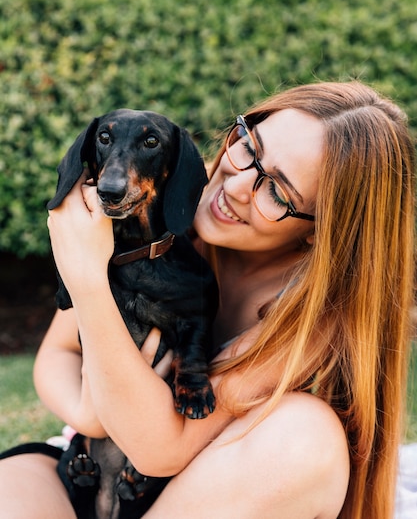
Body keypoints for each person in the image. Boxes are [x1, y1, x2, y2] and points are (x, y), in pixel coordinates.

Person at [0, 81, 414, 519]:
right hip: (89, 465)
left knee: (307, 434)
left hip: (206, 494)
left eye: (277, 192)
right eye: (247, 148)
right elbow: (57, 354)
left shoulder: (312, 318)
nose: (236, 186)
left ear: (322, 229)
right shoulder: (162, 210)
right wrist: (89, 414)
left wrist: (87, 281)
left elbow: (161, 449)